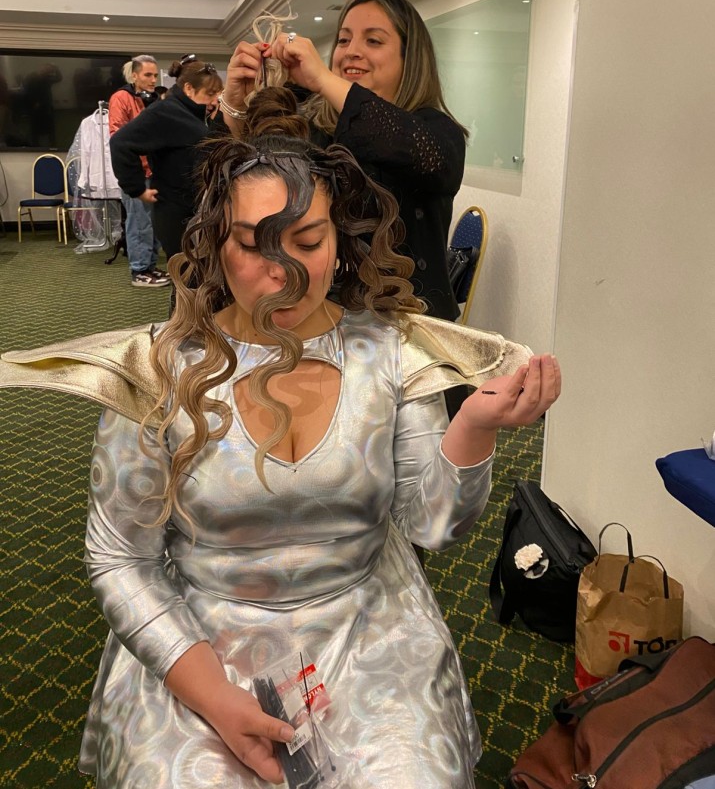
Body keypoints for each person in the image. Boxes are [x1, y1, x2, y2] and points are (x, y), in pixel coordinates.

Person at [0, 86, 560, 788]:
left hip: (367, 627)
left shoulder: (390, 351)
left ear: (338, 238)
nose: (285, 273)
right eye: (253, 244)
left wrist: (473, 425)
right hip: (204, 639)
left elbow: (433, 525)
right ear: (214, 242)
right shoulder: (157, 370)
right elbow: (120, 556)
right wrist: (213, 695)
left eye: (307, 242)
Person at [220, 0, 467, 322]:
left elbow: (423, 156)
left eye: (373, 41)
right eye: (344, 40)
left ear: (409, 57)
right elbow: (251, 180)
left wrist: (322, 79)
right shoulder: (316, 128)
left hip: (410, 317)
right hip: (324, 315)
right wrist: (236, 106)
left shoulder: (435, 132)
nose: (352, 52)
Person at [110, 56, 222, 264]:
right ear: (189, 88)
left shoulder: (190, 112)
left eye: (217, 94)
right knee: (187, 273)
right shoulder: (166, 111)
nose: (215, 100)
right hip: (176, 212)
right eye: (210, 93)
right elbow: (120, 142)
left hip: (193, 209)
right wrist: (136, 189)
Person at [108, 54, 169, 288]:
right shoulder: (121, 98)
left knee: (152, 223)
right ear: (134, 75)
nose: (153, 80)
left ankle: (150, 266)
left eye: (155, 75)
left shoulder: (153, 100)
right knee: (139, 223)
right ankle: (140, 270)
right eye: (148, 75)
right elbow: (118, 137)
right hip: (135, 173)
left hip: (154, 171)